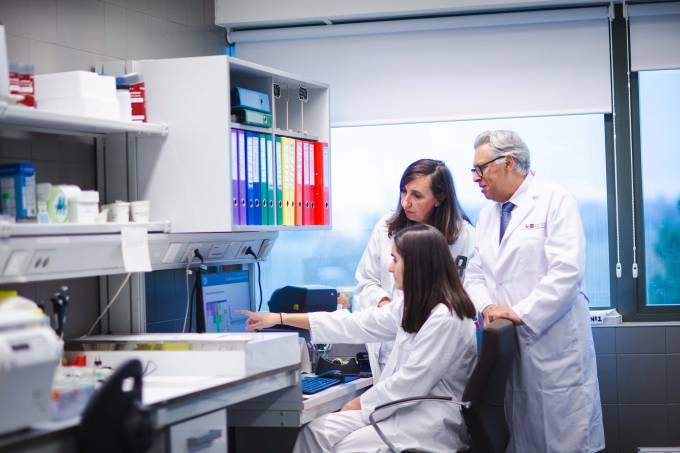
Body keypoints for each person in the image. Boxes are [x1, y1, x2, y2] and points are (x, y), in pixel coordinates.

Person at [241, 224, 477, 452]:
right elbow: (357, 323)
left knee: (342, 447)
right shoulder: (414, 305)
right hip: (403, 409)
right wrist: (279, 318)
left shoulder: (445, 317)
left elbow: (411, 381)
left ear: (417, 265)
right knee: (316, 432)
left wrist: (359, 403)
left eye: (395, 259)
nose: (390, 268)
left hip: (428, 420)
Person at [464, 130, 604, 452]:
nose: (475, 178)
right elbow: (474, 273)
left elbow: (567, 271)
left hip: (553, 344)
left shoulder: (554, 200)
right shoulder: (488, 214)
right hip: (509, 343)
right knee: (522, 435)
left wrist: (519, 312)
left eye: (481, 168)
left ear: (509, 162)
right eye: (474, 170)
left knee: (564, 437)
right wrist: (488, 308)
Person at [354, 158, 475, 380]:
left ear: (440, 197)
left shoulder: (465, 237)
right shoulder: (386, 229)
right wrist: (386, 305)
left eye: (417, 196)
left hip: (439, 344)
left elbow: (469, 293)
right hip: (390, 341)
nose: (405, 202)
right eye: (403, 191)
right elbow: (366, 281)